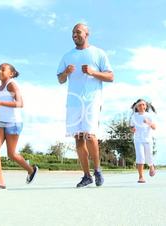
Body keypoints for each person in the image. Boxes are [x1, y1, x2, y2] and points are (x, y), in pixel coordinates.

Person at [57, 23, 114, 188]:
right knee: (78, 140)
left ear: (87, 34)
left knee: (90, 135)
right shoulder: (67, 56)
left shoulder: (98, 53)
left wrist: (93, 72)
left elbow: (111, 76)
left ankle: (97, 170)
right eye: (73, 32)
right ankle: (87, 176)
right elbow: (60, 80)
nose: (75, 34)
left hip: (92, 100)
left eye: (78, 32)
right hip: (73, 102)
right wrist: (66, 73)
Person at [0, 63, 38, 192]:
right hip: (1, 122)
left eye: (3, 70)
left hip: (14, 123)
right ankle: (1, 184)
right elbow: (1, 107)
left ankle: (31, 170)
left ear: (11, 73)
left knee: (11, 154)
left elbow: (20, 103)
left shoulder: (11, 85)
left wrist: (0, 102)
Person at [130, 99, 157, 183]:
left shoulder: (149, 115)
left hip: (148, 139)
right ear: (136, 107)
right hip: (138, 140)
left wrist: (148, 122)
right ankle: (141, 177)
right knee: (140, 157)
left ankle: (151, 166)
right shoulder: (134, 116)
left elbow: (154, 127)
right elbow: (131, 127)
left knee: (148, 157)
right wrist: (132, 129)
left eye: (143, 105)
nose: (141, 106)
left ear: (146, 106)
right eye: (139, 105)